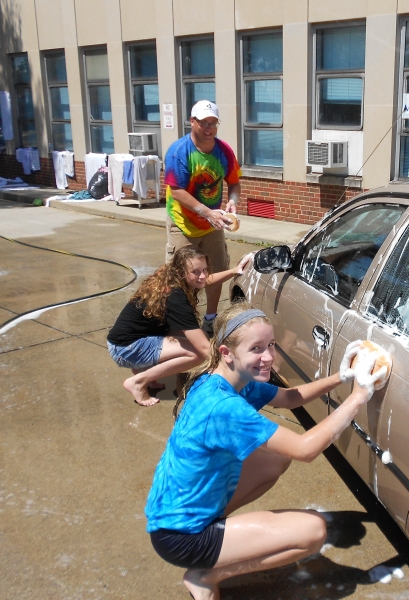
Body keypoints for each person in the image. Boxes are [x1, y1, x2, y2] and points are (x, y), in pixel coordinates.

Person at [144, 304, 387, 600]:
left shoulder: (226, 380)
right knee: (313, 532)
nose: (269, 356)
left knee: (275, 457)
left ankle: (216, 535)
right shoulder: (224, 408)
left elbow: (289, 397)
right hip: (181, 537)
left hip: (175, 514)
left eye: (270, 344)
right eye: (257, 348)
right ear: (226, 352)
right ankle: (206, 574)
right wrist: (359, 396)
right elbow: (305, 449)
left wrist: (342, 377)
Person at [107, 246, 252, 407]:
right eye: (196, 272)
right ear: (181, 272)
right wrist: (239, 372)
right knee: (197, 352)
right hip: (126, 349)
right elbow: (204, 348)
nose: (202, 275)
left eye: (205, 269)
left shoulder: (169, 277)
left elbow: (205, 281)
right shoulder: (175, 297)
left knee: (192, 337)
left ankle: (143, 370)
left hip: (126, 341)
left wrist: (234, 271)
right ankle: (139, 381)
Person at [164, 100, 242, 336]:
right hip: (183, 224)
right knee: (179, 278)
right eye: (204, 122)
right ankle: (182, 323)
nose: (209, 128)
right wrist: (206, 212)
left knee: (215, 272)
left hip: (213, 224)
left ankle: (210, 319)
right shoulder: (179, 151)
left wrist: (232, 202)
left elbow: (235, 182)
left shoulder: (224, 151)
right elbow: (176, 190)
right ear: (193, 121)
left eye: (213, 123)